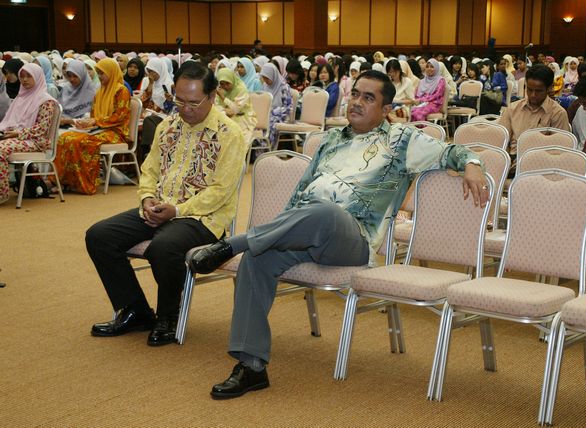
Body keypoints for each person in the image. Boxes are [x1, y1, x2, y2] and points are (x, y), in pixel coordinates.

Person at [186, 70, 489, 399]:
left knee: (325, 211)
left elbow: (452, 152)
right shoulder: (330, 140)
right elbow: (300, 193)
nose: (356, 102)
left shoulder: (402, 140)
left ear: (386, 109)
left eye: (368, 98)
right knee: (258, 258)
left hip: (352, 240)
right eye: (355, 94)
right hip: (305, 231)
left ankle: (231, 244)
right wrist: (279, 231)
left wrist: (472, 164)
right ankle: (251, 365)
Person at [85, 61, 247, 346]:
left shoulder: (229, 134)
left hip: (203, 219)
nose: (185, 109)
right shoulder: (167, 126)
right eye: (179, 100)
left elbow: (221, 191)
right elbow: (149, 170)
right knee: (99, 236)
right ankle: (135, 309)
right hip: (161, 208)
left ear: (212, 97)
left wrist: (178, 210)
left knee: (164, 247)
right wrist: (147, 198)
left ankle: (168, 317)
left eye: (193, 103)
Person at [54, 58, 131, 194]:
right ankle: (65, 181)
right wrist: (87, 123)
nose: (99, 77)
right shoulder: (100, 91)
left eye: (102, 73)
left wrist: (95, 122)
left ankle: (84, 183)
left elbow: (120, 117)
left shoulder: (121, 90)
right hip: (100, 129)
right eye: (98, 73)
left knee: (79, 141)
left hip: (115, 132)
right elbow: (94, 115)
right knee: (65, 137)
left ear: (111, 72)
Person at [0, 63, 56, 205]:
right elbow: (10, 122)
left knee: (0, 149)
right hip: (17, 138)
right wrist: (6, 132)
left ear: (37, 77)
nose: (24, 80)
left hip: (36, 141)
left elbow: (42, 129)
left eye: (29, 76)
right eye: (22, 76)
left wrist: (17, 134)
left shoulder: (46, 100)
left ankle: (1, 193)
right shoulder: (20, 98)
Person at [498, 65, 570, 161]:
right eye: (529, 89)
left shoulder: (557, 113)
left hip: (542, 162)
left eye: (538, 91)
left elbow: (560, 151)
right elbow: (501, 141)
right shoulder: (512, 109)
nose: (533, 95)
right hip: (512, 160)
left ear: (549, 88)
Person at [215, 68, 257, 146]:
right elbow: (217, 106)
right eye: (222, 84)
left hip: (243, 118)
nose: (225, 86)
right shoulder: (220, 89)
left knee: (235, 137)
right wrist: (224, 110)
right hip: (226, 117)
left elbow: (235, 110)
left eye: (227, 83)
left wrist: (223, 97)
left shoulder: (241, 89)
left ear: (232, 80)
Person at [259, 63, 292, 148]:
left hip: (281, 115)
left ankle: (267, 149)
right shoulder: (265, 86)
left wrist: (273, 111)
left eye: (267, 78)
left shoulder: (284, 87)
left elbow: (288, 107)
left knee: (270, 123)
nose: (265, 80)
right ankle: (254, 150)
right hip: (266, 114)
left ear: (273, 75)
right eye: (263, 78)